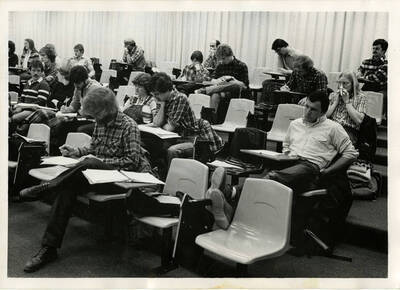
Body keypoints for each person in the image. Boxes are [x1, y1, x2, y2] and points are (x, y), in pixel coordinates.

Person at [19, 86, 152, 273]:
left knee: (89, 164)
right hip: (94, 175)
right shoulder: (101, 122)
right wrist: (76, 152)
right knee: (67, 189)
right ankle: (49, 248)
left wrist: (97, 161)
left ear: (107, 110)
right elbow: (93, 148)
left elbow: (131, 161)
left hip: (119, 181)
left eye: (96, 114)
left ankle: (47, 187)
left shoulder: (129, 126)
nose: (94, 119)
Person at [208, 90, 358, 230]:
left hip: (311, 167)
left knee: (272, 177)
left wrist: (329, 170)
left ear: (323, 112)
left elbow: (351, 153)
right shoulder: (295, 124)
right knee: (269, 176)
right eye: (306, 106)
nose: (307, 111)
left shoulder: (333, 128)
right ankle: (229, 209)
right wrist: (286, 155)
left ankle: (228, 192)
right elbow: (287, 145)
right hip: (290, 161)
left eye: (313, 109)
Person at [150, 72, 223, 170]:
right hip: (177, 137)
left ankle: (175, 179)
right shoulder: (163, 99)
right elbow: (156, 123)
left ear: (167, 90)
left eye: (157, 94)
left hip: (193, 138)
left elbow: (169, 128)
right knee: (152, 145)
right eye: (154, 94)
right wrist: (162, 105)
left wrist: (162, 124)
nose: (155, 97)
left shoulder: (180, 99)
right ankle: (162, 177)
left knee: (172, 151)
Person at [50, 65, 102, 150]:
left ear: (85, 80)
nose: (75, 85)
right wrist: (66, 110)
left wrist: (75, 115)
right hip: (87, 117)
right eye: (74, 83)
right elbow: (75, 103)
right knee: (61, 125)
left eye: (77, 83)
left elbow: (89, 112)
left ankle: (74, 152)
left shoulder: (94, 89)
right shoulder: (78, 87)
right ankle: (60, 151)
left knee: (80, 129)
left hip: (99, 120)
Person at [196, 44, 249, 121]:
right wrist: (220, 80)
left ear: (230, 55)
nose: (221, 61)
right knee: (215, 95)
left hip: (235, 91)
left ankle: (206, 90)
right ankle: (211, 120)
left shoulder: (241, 66)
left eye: (223, 58)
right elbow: (213, 80)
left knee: (233, 84)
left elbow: (244, 86)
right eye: (220, 59)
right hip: (220, 91)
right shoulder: (220, 66)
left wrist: (234, 80)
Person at [326, 71, 366, 144]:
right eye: (340, 83)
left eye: (345, 83)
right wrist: (335, 102)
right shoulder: (333, 95)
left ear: (353, 84)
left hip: (348, 130)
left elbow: (359, 120)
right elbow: (326, 116)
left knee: (336, 143)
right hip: (331, 126)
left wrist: (347, 102)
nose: (341, 86)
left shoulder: (360, 97)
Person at [10, 60, 50, 129]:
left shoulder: (44, 84)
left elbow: (40, 102)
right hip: (24, 109)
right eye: (33, 70)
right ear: (30, 71)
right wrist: (19, 107)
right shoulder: (28, 83)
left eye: (38, 71)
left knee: (14, 118)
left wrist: (22, 107)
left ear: (42, 72)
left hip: (34, 111)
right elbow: (22, 98)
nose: (36, 73)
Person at [261, 39, 301, 103]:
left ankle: (274, 106)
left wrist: (287, 72)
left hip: (296, 82)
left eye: (278, 50)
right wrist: (289, 72)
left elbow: (300, 72)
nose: (278, 53)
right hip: (288, 80)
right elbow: (280, 69)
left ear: (285, 46)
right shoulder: (281, 55)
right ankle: (267, 105)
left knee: (272, 86)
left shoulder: (297, 55)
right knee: (266, 83)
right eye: (276, 51)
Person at [357, 38, 388, 119]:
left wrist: (364, 78)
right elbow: (358, 74)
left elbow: (377, 78)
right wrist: (364, 77)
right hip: (368, 87)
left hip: (380, 89)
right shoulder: (366, 62)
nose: (374, 51)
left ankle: (376, 121)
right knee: (357, 95)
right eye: (373, 48)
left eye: (377, 49)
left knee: (379, 97)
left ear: (383, 51)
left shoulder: (386, 64)